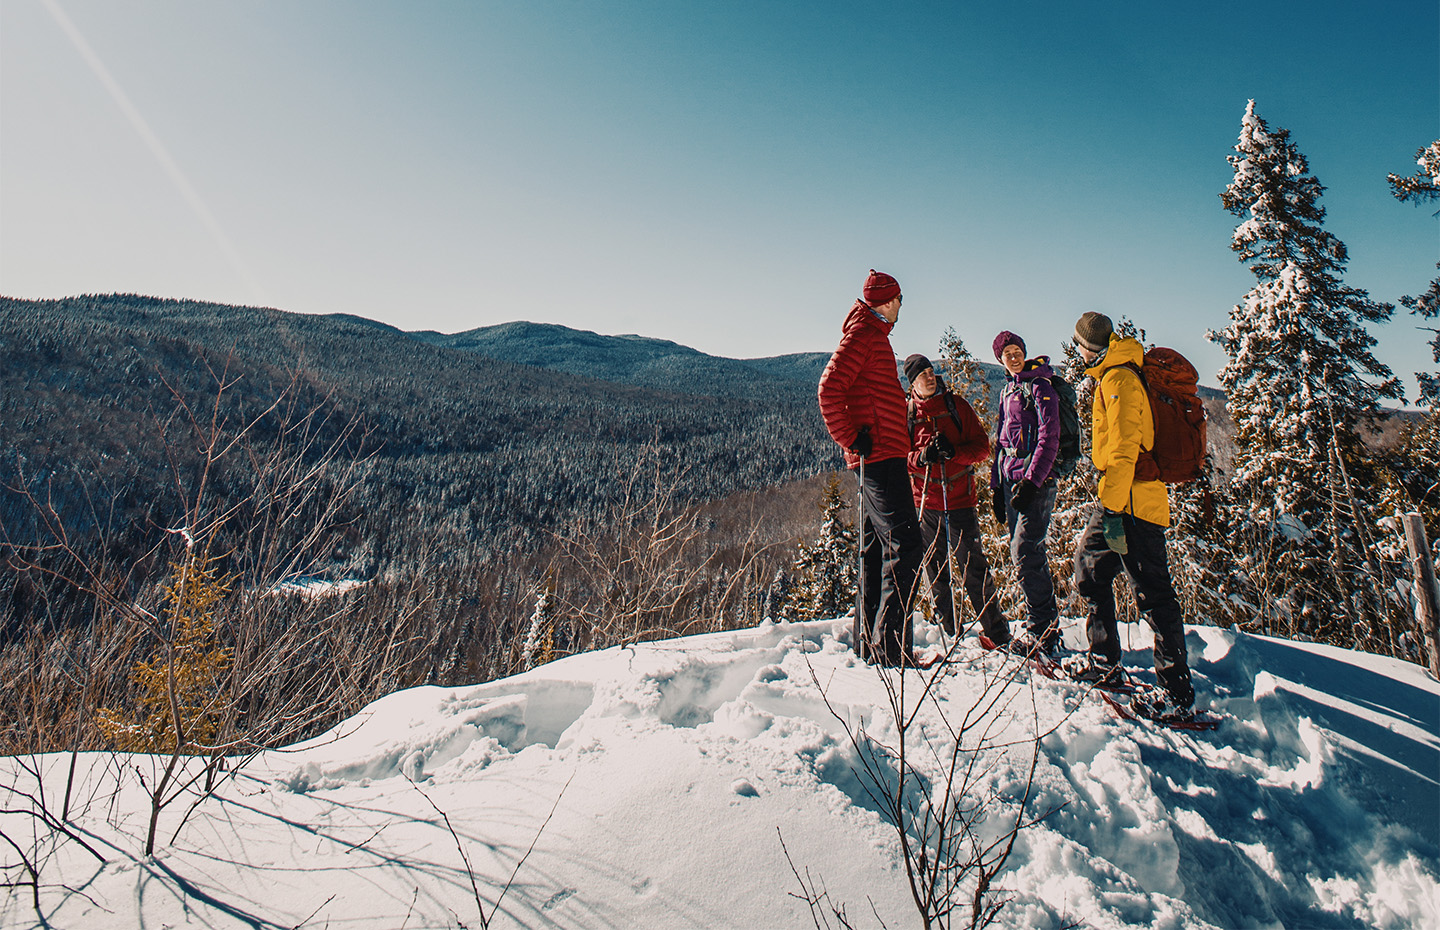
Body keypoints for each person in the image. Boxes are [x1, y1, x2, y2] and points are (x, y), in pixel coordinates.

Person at [1066, 311, 1196, 720]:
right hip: (1120, 497)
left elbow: (1123, 451)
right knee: (1090, 569)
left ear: (1090, 347)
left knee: (1154, 594)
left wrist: (1115, 513)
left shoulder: (1119, 379)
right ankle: (1104, 661)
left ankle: (1177, 695)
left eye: (1079, 346)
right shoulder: (1112, 374)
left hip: (1133, 504)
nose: (1077, 353)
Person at [818, 270, 924, 666]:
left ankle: (872, 646)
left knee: (876, 549)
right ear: (888, 300)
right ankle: (890, 651)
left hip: (882, 455)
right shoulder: (864, 335)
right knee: (906, 547)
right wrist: (851, 438)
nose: (901, 307)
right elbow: (829, 389)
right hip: (878, 458)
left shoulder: (872, 335)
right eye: (899, 299)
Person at [903, 354, 1011, 646]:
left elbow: (981, 448)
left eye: (930, 371)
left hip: (960, 501)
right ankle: (948, 632)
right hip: (925, 504)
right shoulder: (909, 413)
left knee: (974, 569)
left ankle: (996, 632)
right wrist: (922, 457)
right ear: (912, 382)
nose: (929, 376)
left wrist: (954, 453)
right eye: (922, 374)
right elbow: (901, 460)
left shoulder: (956, 406)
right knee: (936, 572)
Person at [989, 331, 1062, 656]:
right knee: (1025, 553)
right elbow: (1001, 442)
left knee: (1025, 551)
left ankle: (1043, 633)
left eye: (1017, 350)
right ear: (1001, 360)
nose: (1014, 356)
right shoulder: (1008, 390)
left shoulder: (1040, 387)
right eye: (1007, 353)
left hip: (1036, 482)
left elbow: (1050, 436)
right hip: (1010, 482)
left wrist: (1032, 483)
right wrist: (995, 486)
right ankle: (1042, 626)